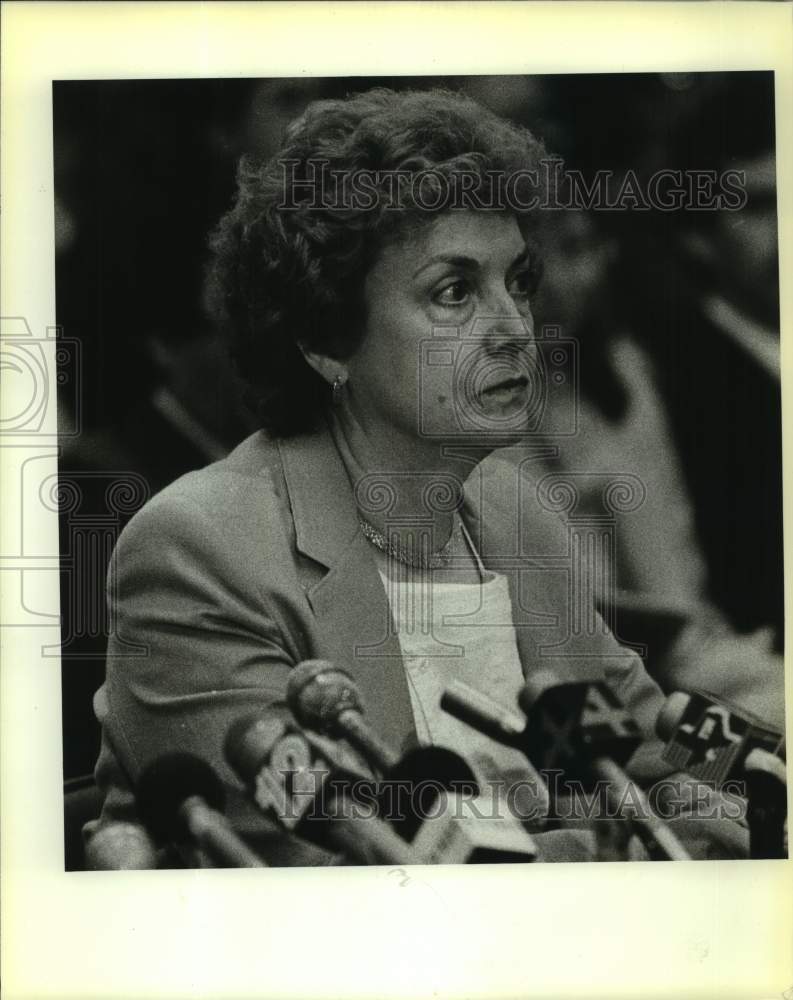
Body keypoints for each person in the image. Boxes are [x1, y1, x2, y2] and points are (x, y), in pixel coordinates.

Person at [85, 88, 744, 865]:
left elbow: (641, 728)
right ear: (325, 338)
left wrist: (752, 778)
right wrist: (622, 847)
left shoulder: (510, 507)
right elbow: (322, 869)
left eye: (518, 282)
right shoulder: (199, 551)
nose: (512, 329)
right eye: (454, 291)